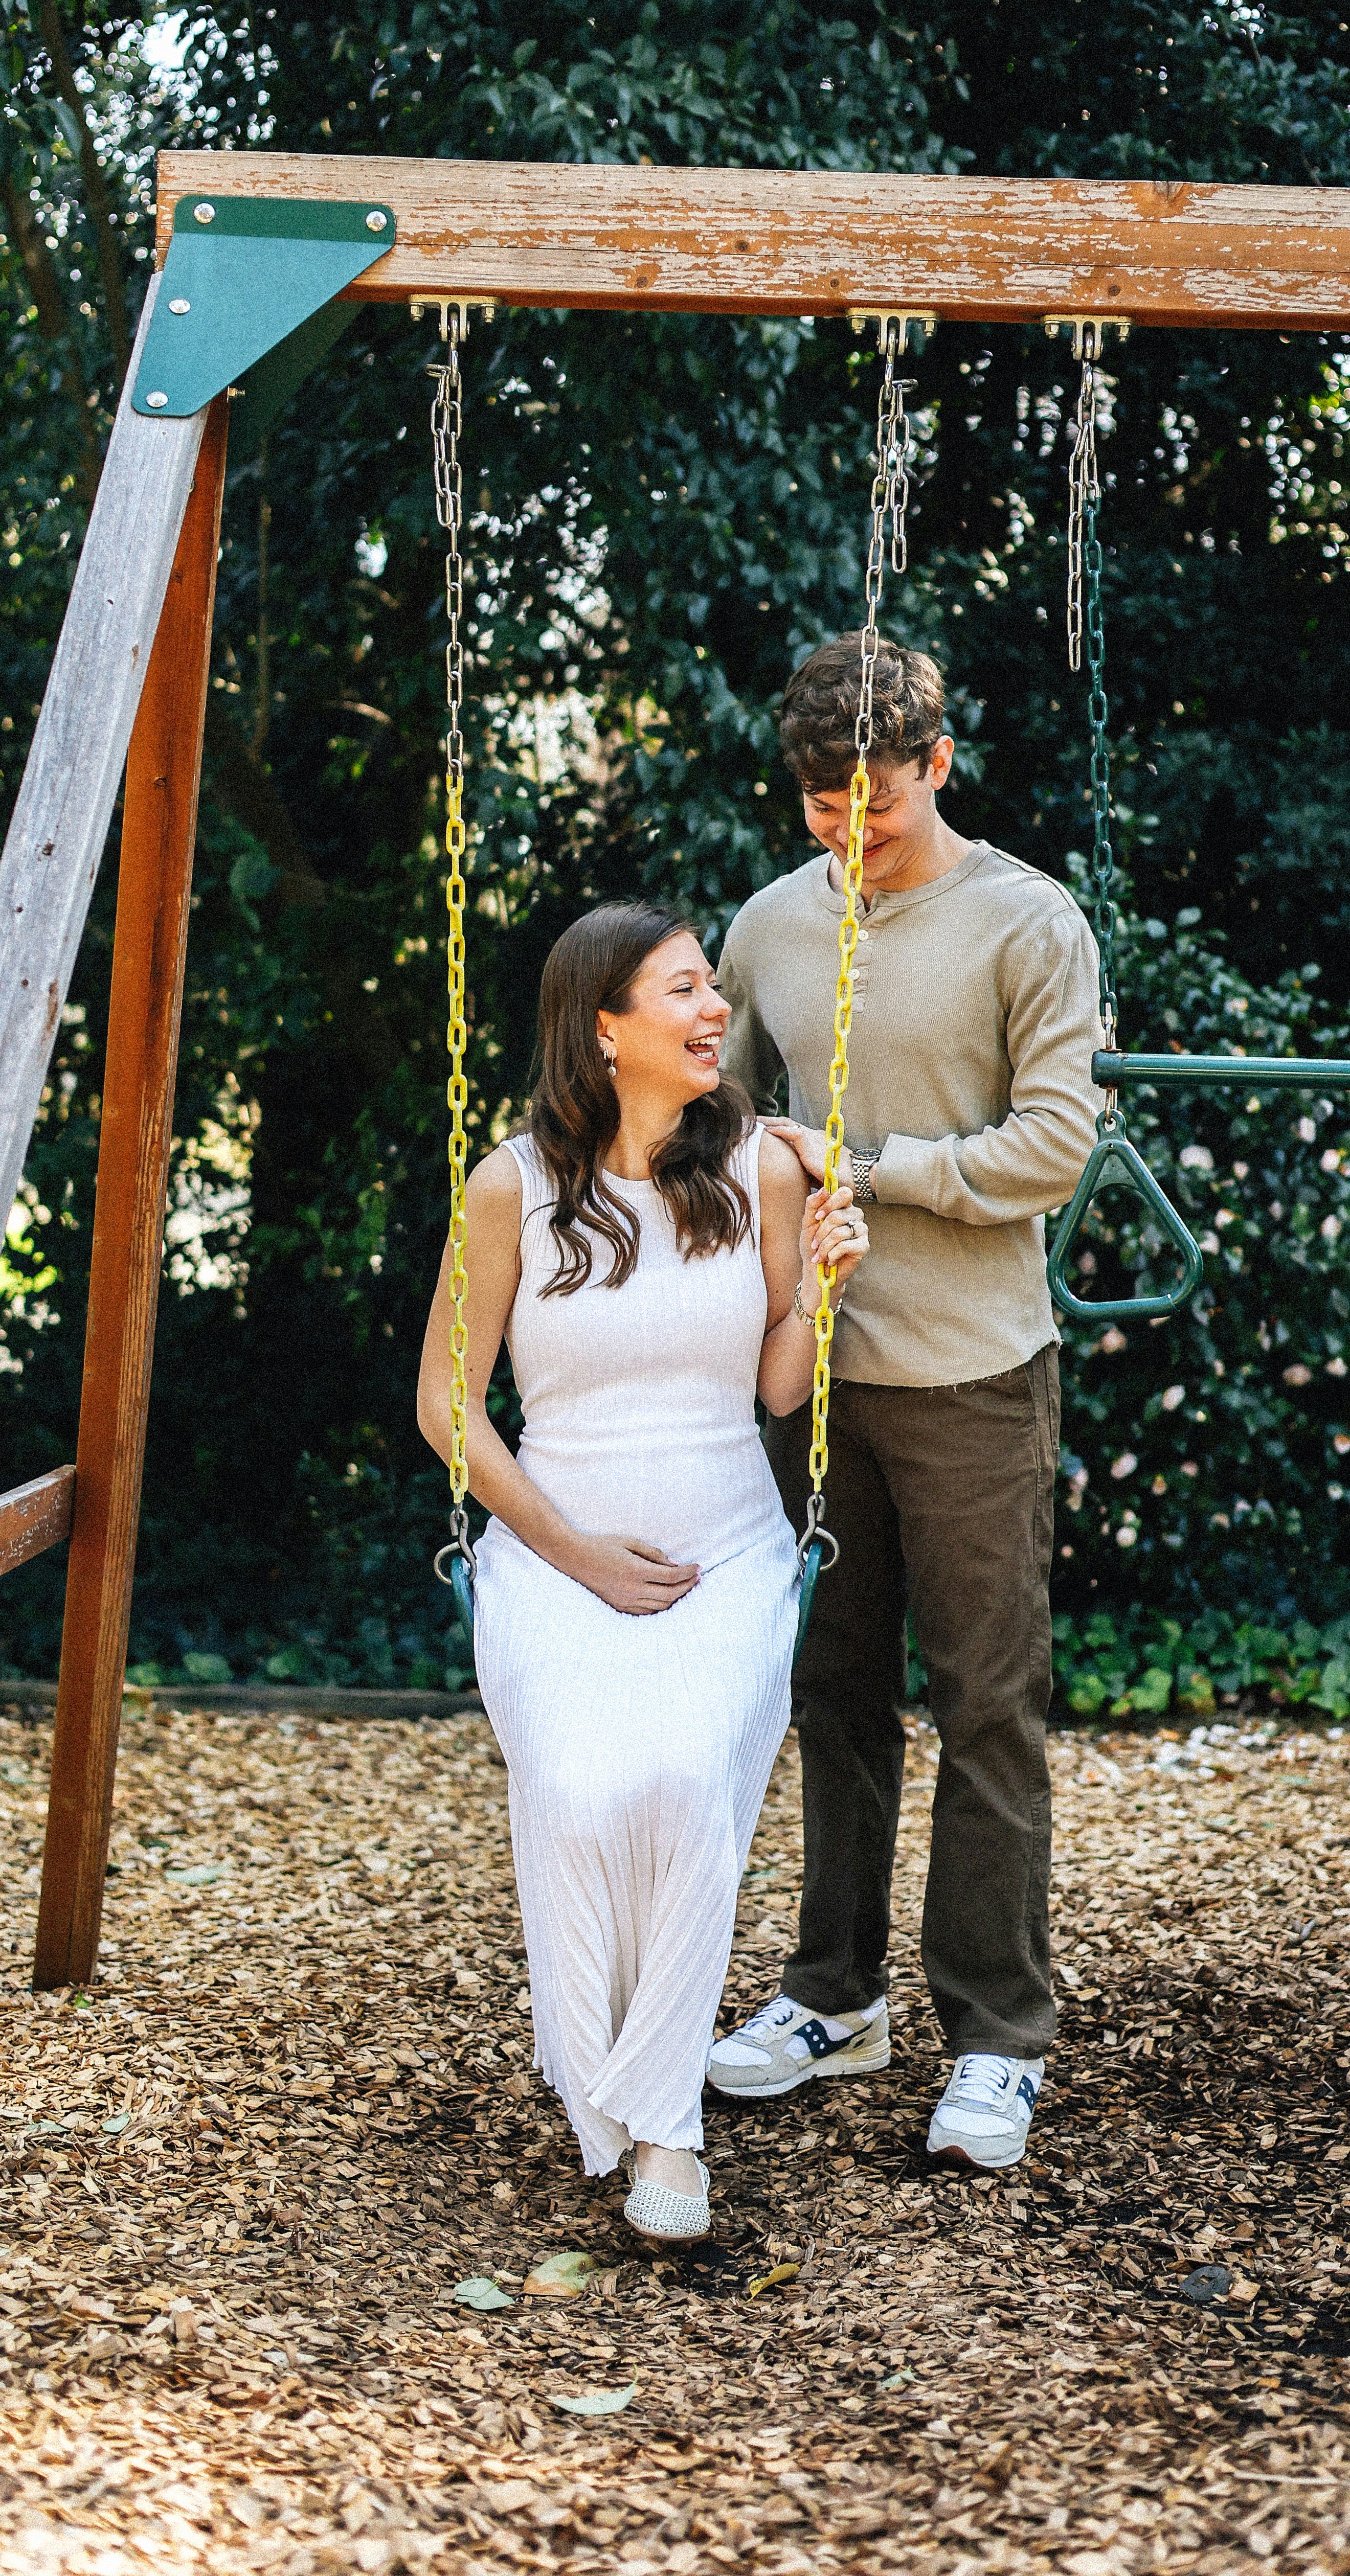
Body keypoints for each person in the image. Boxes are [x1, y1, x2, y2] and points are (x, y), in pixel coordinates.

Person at [416, 901, 868, 2245]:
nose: (715, 1010)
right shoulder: (512, 1187)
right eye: (684, 990)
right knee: (576, 1784)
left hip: (729, 1547)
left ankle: (664, 2124)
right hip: (558, 1551)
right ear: (606, 1029)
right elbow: (449, 1407)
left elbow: (781, 1389)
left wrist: (824, 1295)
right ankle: (603, 2065)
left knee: (682, 1782)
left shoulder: (768, 1173)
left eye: (712, 989)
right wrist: (575, 1556)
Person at [706, 633, 1099, 2172]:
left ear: (937, 763)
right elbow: (726, 1127)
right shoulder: (765, 930)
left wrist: (868, 1170)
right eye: (818, 805)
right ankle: (833, 1996)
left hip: (976, 1381)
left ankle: (998, 2035)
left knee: (988, 1708)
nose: (846, 828)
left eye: (870, 798)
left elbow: (1054, 1147)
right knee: (833, 1700)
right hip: (813, 1386)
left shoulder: (1028, 922)